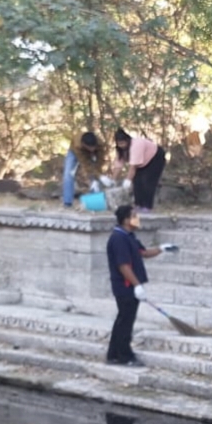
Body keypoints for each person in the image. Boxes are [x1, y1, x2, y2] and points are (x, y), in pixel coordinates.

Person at [105, 204, 173, 366]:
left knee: (123, 319)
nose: (137, 219)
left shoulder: (129, 236)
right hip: (125, 286)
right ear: (126, 220)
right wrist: (137, 285)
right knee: (126, 321)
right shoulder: (118, 239)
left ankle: (113, 354)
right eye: (134, 216)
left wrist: (161, 249)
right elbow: (123, 266)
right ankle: (124, 356)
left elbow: (143, 253)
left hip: (131, 286)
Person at [120, 132, 165, 214]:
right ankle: (138, 204)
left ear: (127, 141)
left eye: (122, 143)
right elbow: (118, 164)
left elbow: (133, 167)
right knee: (137, 181)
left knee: (148, 182)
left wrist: (127, 180)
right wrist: (111, 179)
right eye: (119, 144)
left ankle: (147, 206)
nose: (121, 145)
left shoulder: (135, 146)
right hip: (143, 160)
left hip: (155, 157)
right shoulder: (121, 149)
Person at [61, 131, 104, 208]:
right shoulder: (77, 145)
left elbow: (100, 161)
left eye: (93, 147)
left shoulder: (100, 144)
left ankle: (95, 201)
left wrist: (99, 176)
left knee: (95, 178)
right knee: (68, 174)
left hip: (92, 153)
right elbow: (85, 164)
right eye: (90, 148)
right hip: (74, 153)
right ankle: (67, 202)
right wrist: (93, 175)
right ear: (84, 144)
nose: (92, 149)